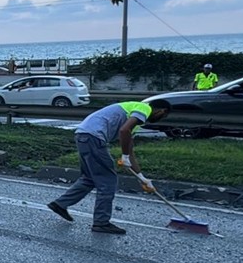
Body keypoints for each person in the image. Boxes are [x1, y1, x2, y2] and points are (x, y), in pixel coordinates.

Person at [47, 99, 172, 235]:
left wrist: (142, 178)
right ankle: (101, 222)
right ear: (161, 111)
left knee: (89, 178)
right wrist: (124, 156)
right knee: (108, 181)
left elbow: (129, 150)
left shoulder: (135, 120)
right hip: (94, 137)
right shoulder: (144, 108)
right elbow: (124, 131)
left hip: (84, 135)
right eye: (163, 116)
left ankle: (60, 204)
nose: (160, 119)